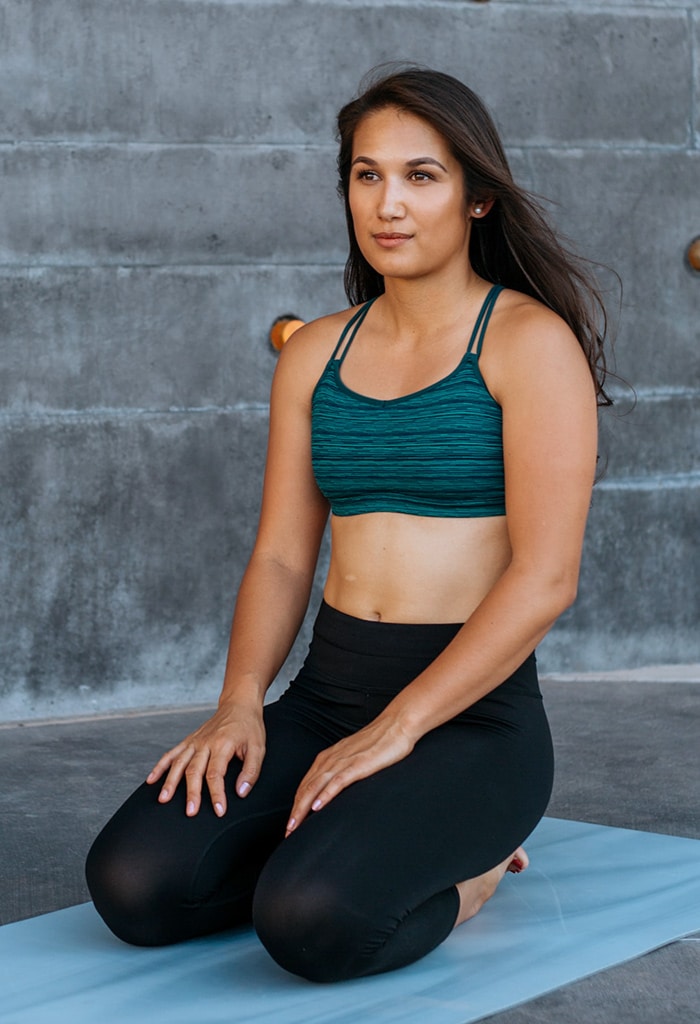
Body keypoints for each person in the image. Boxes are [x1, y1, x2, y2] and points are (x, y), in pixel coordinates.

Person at [86, 65, 610, 983]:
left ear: (478, 198)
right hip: (326, 698)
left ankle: (476, 872)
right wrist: (239, 704)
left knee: (311, 922)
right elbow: (284, 555)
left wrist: (401, 727)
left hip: (469, 722)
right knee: (136, 885)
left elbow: (545, 577)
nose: (389, 204)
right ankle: (348, 843)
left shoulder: (529, 345)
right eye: (367, 175)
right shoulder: (316, 354)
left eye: (421, 175)